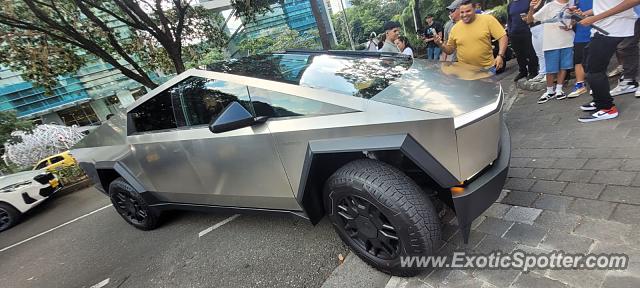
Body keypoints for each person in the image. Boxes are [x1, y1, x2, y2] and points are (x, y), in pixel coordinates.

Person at [577, 0, 638, 122]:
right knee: (587, 64)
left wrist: (595, 18)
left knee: (594, 69)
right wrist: (587, 13)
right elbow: (607, 5)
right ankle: (600, 100)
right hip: (602, 27)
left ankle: (607, 108)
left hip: (612, 28)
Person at [435, 0, 509, 73]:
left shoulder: (487, 20)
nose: (464, 15)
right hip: (465, 71)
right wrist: (440, 44)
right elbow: (449, 50)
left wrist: (500, 55)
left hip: (487, 69)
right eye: (462, 12)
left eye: (468, 11)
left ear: (474, 9)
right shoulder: (455, 28)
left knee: (490, 85)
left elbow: (502, 37)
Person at [525, 0, 575, 104]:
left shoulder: (571, 5)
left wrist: (571, 25)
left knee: (564, 67)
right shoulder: (549, 6)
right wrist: (531, 8)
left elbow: (573, 20)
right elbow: (530, 20)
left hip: (567, 41)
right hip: (551, 43)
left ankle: (559, 89)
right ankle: (549, 91)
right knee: (551, 70)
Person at [608, 6, 640, 96]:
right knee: (625, 47)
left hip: (631, 12)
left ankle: (629, 80)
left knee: (626, 46)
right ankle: (629, 81)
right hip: (630, 16)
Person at [508, 0, 540, 81]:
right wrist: (509, 31)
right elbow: (509, 19)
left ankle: (533, 71)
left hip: (527, 31)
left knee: (531, 53)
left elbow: (534, 13)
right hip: (514, 33)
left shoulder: (528, 1)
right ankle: (523, 71)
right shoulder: (510, 4)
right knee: (519, 54)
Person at [568, 0, 593, 98]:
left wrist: (583, 14)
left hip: (596, 30)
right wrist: (571, 23)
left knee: (595, 59)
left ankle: (596, 85)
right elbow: (574, 17)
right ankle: (580, 85)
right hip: (580, 33)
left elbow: (603, 8)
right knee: (578, 60)